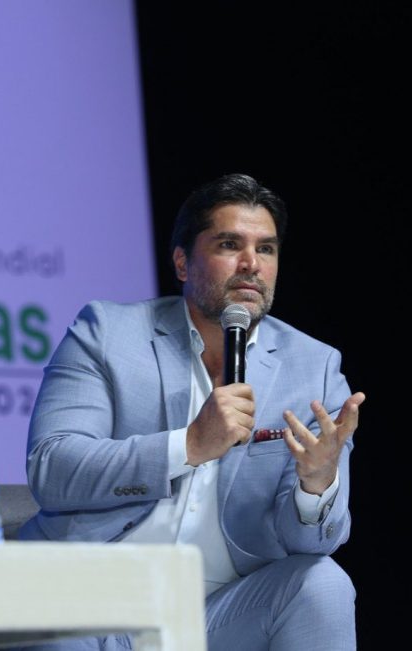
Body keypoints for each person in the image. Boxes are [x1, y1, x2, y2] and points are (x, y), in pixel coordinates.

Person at [19, 172, 366, 650]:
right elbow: (53, 469)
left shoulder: (314, 367)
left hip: (219, 617)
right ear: (183, 262)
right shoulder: (107, 333)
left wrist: (317, 485)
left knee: (322, 582)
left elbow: (313, 543)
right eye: (230, 244)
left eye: (266, 249)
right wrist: (189, 444)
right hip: (89, 598)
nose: (251, 264)